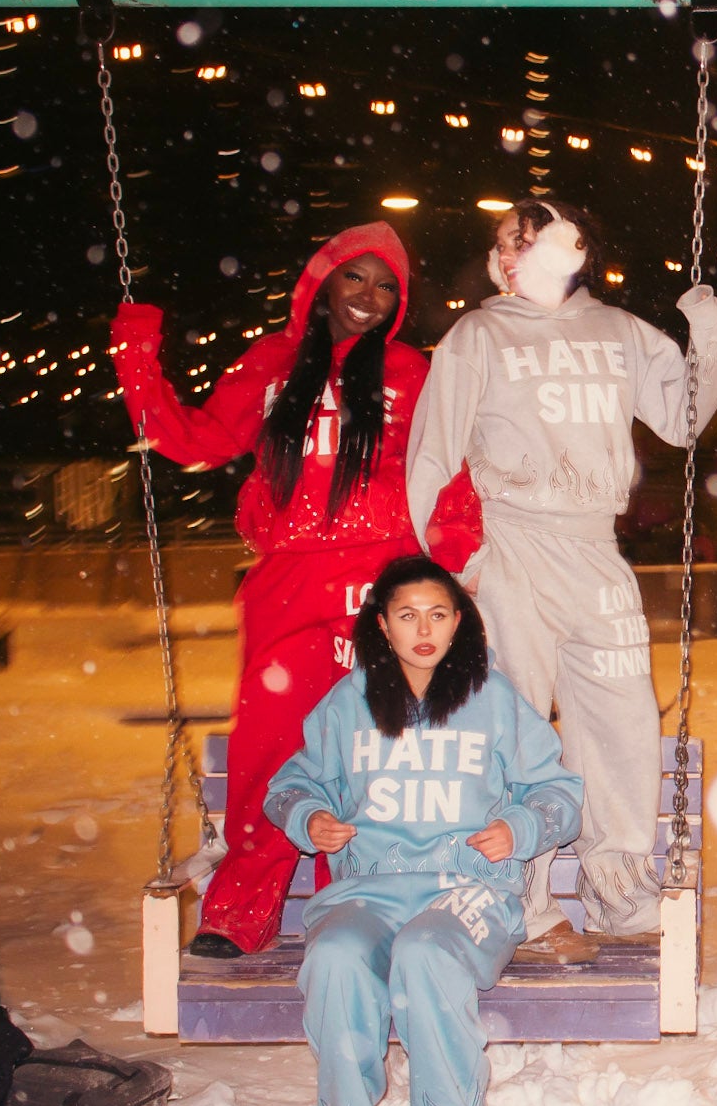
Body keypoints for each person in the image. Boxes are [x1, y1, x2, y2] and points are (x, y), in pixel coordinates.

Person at [110, 222, 480, 957]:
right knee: (272, 746)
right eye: (355, 277)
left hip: (384, 580)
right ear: (321, 283)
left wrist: (453, 564)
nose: (369, 296)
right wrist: (136, 355)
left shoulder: (410, 370)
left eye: (386, 285)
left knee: (387, 750)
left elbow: (450, 472)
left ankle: (379, 903)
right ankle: (240, 910)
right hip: (290, 582)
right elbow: (194, 439)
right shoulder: (272, 362)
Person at [406, 200, 717, 961]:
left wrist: (710, 332)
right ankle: (519, 903)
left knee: (622, 718)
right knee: (513, 721)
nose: (516, 250)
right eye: (506, 242)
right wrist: (454, 565)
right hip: (510, 542)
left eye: (533, 237)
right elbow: (433, 454)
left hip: (594, 546)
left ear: (576, 249)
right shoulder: (477, 336)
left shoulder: (619, 331)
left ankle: (618, 887)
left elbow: (683, 417)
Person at [264, 555, 580, 1106]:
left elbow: (558, 793)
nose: (424, 629)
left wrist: (519, 827)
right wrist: (310, 817)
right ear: (382, 625)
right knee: (335, 957)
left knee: (425, 952)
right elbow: (290, 786)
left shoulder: (493, 699)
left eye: (438, 614)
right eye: (407, 615)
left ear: (460, 621)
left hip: (468, 890)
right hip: (368, 889)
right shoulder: (347, 705)